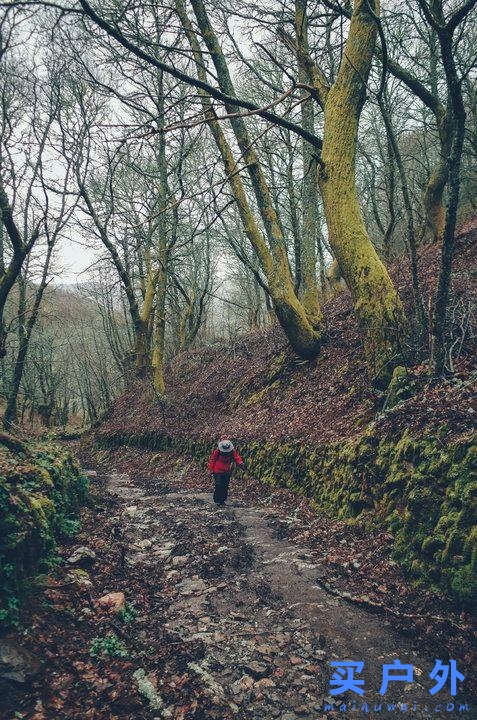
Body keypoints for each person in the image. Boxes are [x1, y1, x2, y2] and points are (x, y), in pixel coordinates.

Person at [207, 438, 247, 506]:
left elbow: (237, 458)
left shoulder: (232, 451)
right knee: (218, 485)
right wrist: (210, 469)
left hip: (226, 471)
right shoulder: (217, 451)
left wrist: (241, 464)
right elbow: (212, 460)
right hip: (217, 470)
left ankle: (222, 500)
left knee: (225, 486)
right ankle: (217, 500)